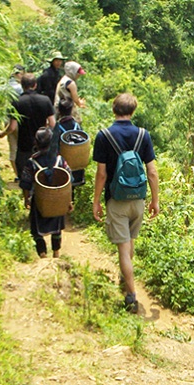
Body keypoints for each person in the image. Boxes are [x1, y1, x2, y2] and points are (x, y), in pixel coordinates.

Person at [92, 93, 160, 313]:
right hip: (138, 199)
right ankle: (126, 278)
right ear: (133, 110)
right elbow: (152, 172)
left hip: (117, 199)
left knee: (123, 249)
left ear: (114, 109)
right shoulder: (143, 135)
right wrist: (155, 200)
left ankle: (131, 296)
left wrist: (96, 201)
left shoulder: (104, 135)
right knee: (130, 242)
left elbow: (101, 174)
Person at [19, 128, 74, 258]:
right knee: (57, 227)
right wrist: (69, 201)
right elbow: (69, 181)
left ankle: (42, 254)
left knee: (36, 230)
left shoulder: (31, 162)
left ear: (36, 143)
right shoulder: (60, 160)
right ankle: (56, 253)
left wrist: (27, 199)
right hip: (58, 200)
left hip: (39, 201)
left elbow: (25, 183)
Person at [1, 73, 55, 179]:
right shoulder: (45, 100)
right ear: (35, 85)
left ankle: (26, 196)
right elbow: (52, 124)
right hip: (42, 144)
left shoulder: (17, 102)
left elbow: (12, 127)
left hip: (24, 146)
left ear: (22, 85)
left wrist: (3, 133)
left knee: (25, 179)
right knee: (42, 177)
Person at [52, 98, 86, 190]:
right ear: (71, 110)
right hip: (76, 165)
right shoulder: (77, 126)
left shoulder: (57, 127)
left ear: (58, 110)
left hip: (62, 166)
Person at [0, 64, 25, 180]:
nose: (22, 76)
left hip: (7, 119)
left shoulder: (3, 88)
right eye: (21, 73)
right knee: (23, 148)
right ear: (16, 74)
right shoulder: (20, 88)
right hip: (19, 120)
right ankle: (25, 174)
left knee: (13, 147)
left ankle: (18, 175)